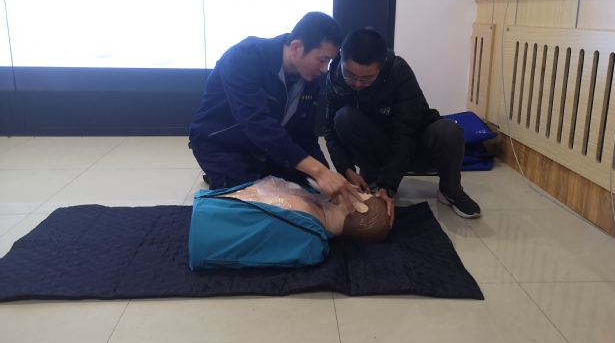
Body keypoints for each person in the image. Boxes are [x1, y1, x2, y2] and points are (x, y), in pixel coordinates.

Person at [189, 12, 366, 213]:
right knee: (260, 206)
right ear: (296, 47)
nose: (325, 69)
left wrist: (325, 175)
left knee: (309, 194)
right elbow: (256, 123)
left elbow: (305, 138)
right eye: (322, 59)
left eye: (330, 61)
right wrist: (319, 172)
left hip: (269, 149)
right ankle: (224, 178)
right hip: (224, 145)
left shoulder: (309, 81)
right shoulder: (244, 57)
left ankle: (239, 178)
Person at [324, 27, 482, 221]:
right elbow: (330, 131)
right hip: (377, 147)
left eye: (367, 78)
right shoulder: (335, 78)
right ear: (341, 56)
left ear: (382, 64)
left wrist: (388, 185)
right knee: (343, 117)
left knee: (449, 131)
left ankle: (450, 190)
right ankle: (372, 180)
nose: (357, 83)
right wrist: (346, 169)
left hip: (415, 147)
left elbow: (406, 133)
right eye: (350, 75)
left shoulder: (399, 72)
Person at [221, 177, 391, 243]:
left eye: (363, 194)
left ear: (360, 207)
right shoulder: (308, 214)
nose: (356, 190)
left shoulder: (301, 209)